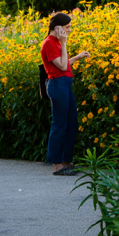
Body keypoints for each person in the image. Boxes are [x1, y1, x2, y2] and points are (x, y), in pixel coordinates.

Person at [40, 13, 90, 176]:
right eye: (67, 27)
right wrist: (64, 43)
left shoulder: (56, 42)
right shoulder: (49, 43)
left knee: (72, 123)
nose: (69, 30)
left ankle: (66, 161)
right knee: (59, 124)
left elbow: (63, 63)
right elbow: (61, 67)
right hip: (57, 84)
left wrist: (78, 57)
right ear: (58, 28)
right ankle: (57, 165)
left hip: (65, 84)